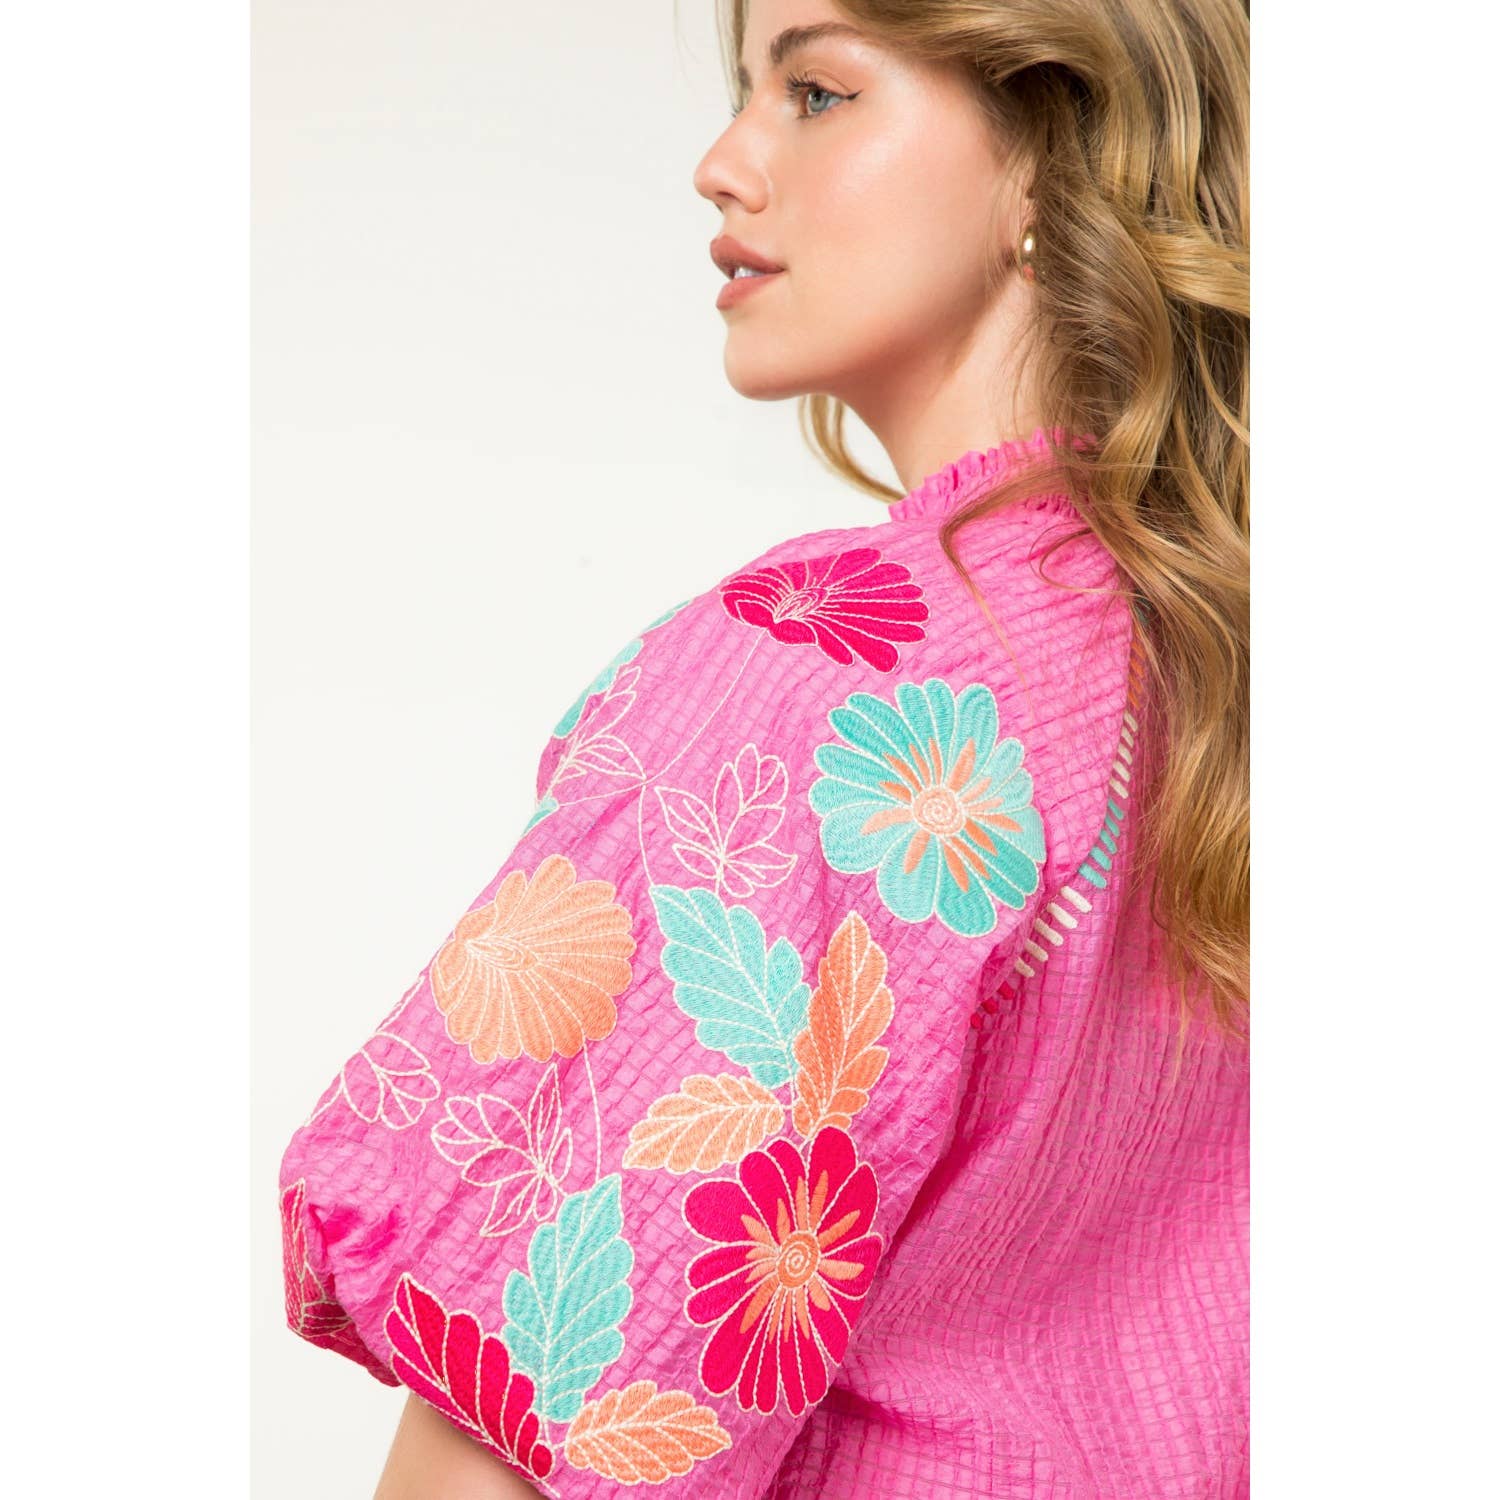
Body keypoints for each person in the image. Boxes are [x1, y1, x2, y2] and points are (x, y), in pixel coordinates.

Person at [277, 0, 1249, 1495]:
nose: (722, 164)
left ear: (1052, 156)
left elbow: (534, 1427)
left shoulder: (840, 685)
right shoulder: (1226, 669)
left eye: (817, 92)